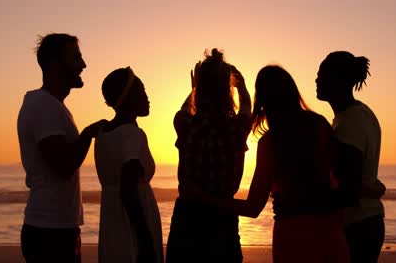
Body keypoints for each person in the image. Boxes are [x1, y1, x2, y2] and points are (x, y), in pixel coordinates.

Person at [187, 65, 350, 263]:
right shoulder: (320, 124)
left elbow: (252, 208)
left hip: (293, 234)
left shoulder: (271, 142)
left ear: (263, 99)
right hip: (331, 230)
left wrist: (203, 197)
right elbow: (343, 175)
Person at [17, 33, 107, 263]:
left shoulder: (53, 106)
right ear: (55, 64)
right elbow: (63, 165)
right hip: (49, 233)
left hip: (58, 229)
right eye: (76, 58)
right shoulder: (43, 105)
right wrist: (88, 134)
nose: (83, 65)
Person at [166, 49, 252, 263]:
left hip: (187, 220)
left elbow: (185, 108)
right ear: (226, 91)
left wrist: (194, 88)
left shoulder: (185, 124)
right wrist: (241, 87)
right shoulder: (237, 129)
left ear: (200, 90)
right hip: (223, 219)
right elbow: (247, 108)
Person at [316, 51, 385, 263]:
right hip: (366, 222)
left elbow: (348, 188)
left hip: (357, 226)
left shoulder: (350, 122)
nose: (317, 80)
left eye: (323, 75)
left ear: (341, 80)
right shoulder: (357, 114)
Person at [95, 67, 163, 263]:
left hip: (111, 220)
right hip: (131, 225)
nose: (147, 96)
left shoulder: (102, 134)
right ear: (129, 97)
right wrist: (144, 240)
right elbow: (128, 188)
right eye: (142, 90)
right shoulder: (133, 134)